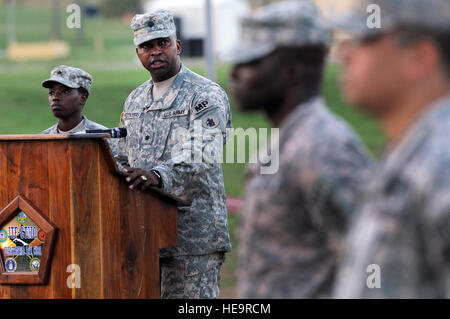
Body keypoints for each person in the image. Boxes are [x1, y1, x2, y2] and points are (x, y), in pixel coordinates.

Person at [225, 0, 372, 298]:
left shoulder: (324, 148)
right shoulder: (289, 139)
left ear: (290, 72)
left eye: (249, 63)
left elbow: (376, 261)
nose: (234, 73)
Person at [332, 0, 450, 298]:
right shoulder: (413, 150)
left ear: (418, 58)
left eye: (363, 40)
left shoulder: (441, 162)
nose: (344, 54)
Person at [115, 9, 232, 299]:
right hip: (144, 235)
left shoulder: (204, 94)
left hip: (192, 239)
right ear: (138, 52)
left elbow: (202, 152)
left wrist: (157, 175)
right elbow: (120, 156)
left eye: (162, 43)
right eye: (146, 46)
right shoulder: (135, 100)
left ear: (177, 46)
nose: (155, 52)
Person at [41, 65, 108, 134]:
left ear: (83, 97)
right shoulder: (42, 139)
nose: (55, 97)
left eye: (65, 91)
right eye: (51, 93)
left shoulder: (102, 136)